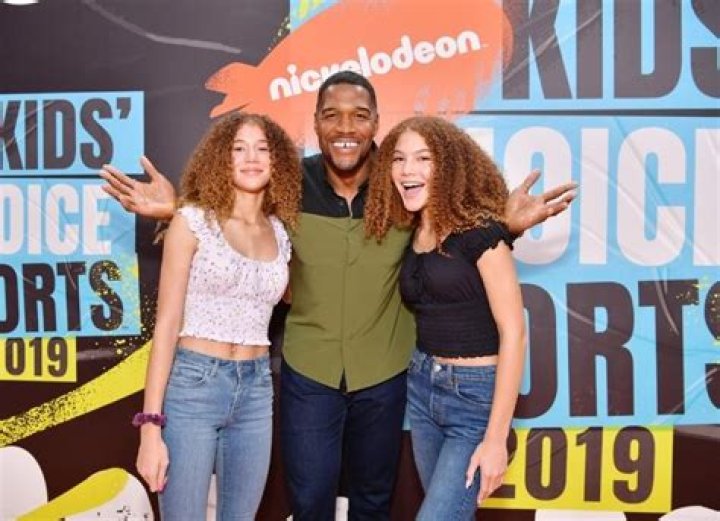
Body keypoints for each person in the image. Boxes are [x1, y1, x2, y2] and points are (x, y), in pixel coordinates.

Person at [100, 71, 575, 521]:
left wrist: (504, 227)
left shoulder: (400, 187)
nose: (346, 127)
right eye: (332, 115)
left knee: (373, 501)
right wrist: (176, 209)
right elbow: (235, 217)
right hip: (309, 372)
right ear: (316, 123)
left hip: (386, 374)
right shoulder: (288, 186)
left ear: (376, 123)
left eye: (359, 115)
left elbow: (452, 233)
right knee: (310, 500)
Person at [125, 112, 301, 520]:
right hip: (194, 386)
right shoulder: (191, 221)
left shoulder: (280, 231)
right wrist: (150, 425)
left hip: (256, 390)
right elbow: (166, 326)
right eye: (239, 148)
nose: (251, 157)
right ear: (221, 158)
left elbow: (290, 295)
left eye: (262, 149)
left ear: (277, 161)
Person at [365, 116, 525, 519]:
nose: (408, 170)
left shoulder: (482, 232)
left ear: (449, 167)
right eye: (399, 159)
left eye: (423, 158)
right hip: (423, 387)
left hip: (475, 398)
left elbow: (514, 333)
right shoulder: (413, 232)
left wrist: (496, 439)